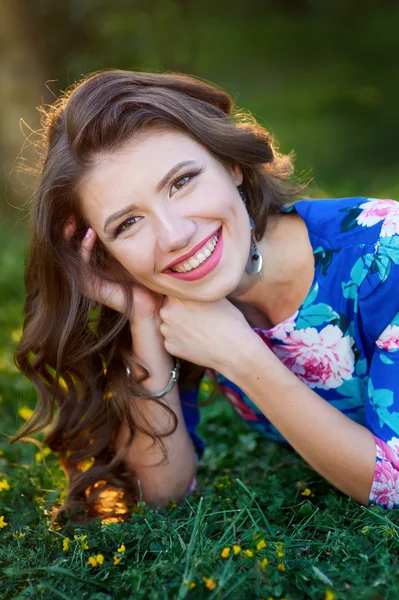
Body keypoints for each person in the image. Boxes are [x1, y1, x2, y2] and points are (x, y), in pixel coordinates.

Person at [12, 69, 399, 523]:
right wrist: (143, 319)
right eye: (128, 223)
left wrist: (239, 355)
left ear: (231, 164)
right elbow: (161, 492)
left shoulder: (383, 258)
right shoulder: (175, 300)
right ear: (104, 252)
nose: (175, 235)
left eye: (181, 182)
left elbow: (391, 487)